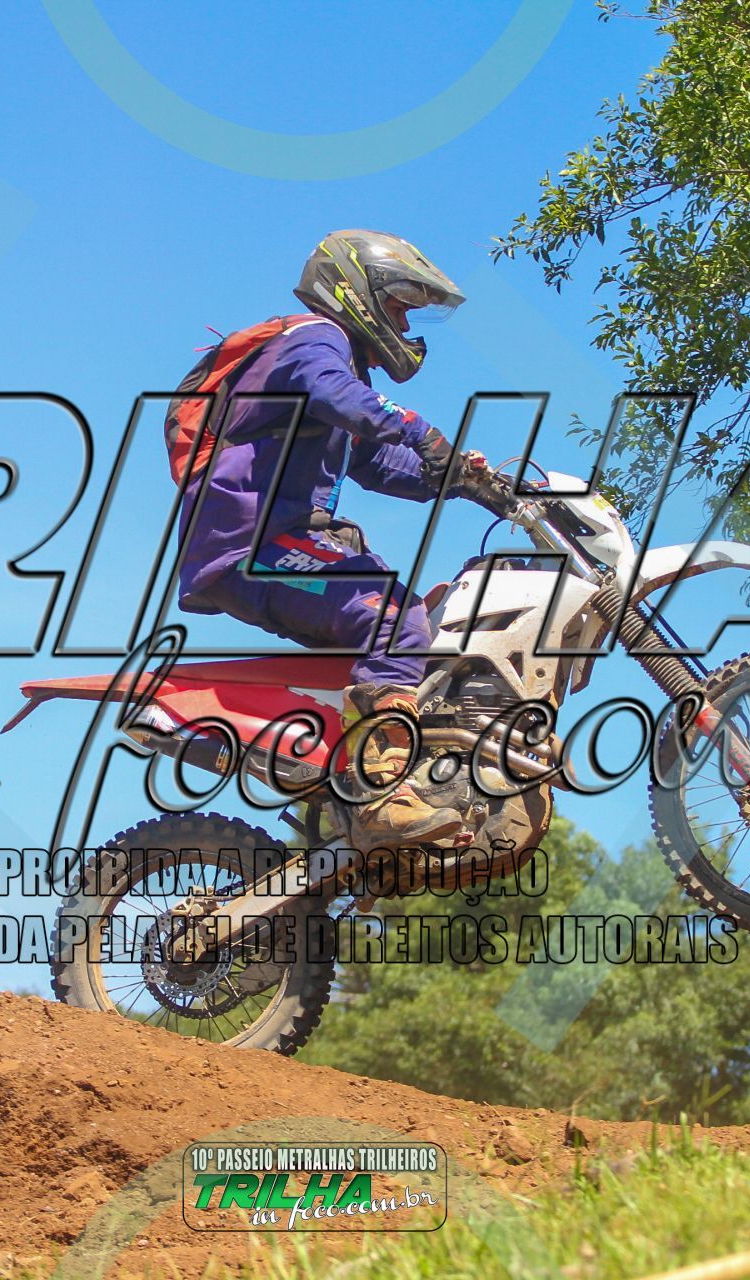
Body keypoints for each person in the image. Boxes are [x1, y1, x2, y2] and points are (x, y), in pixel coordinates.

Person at [174, 229, 485, 847]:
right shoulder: (315, 338)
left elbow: (375, 463)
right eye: (398, 305)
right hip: (254, 543)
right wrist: (420, 429)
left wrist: (459, 480)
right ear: (354, 290)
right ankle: (381, 794)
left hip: (275, 542)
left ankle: (354, 786)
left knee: (409, 632)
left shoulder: (334, 365)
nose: (403, 323)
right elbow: (340, 396)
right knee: (392, 618)